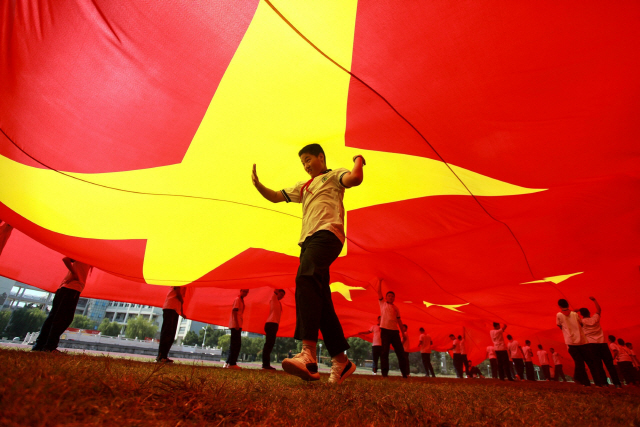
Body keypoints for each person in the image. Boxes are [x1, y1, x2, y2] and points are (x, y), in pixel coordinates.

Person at [252, 144, 364, 384]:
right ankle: (341, 361)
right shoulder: (304, 187)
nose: (305, 164)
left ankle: (308, 354)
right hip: (308, 242)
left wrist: (359, 158)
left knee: (305, 279)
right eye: (302, 162)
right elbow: (275, 196)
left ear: (321, 157)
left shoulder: (334, 176)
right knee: (321, 301)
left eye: (308, 159)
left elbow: (355, 178)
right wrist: (258, 185)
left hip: (328, 234)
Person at [32, 257, 92, 352]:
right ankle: (50, 347)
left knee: (53, 317)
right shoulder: (83, 253)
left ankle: (39, 345)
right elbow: (66, 259)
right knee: (63, 319)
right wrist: (74, 273)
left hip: (64, 288)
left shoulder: (89, 256)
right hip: (72, 288)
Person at [579, 296, 620, 387]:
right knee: (610, 365)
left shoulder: (581, 322)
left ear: (581, 314)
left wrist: (576, 310)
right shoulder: (595, 318)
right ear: (589, 313)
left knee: (598, 365)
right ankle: (617, 384)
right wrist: (595, 300)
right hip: (602, 343)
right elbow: (599, 310)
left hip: (592, 345)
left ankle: (604, 383)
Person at [556, 298, 595, 386]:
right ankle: (594, 381)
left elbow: (559, 325)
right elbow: (581, 323)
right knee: (588, 361)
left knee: (579, 362)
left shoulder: (559, 315)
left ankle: (583, 380)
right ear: (568, 304)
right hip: (582, 341)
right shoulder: (575, 314)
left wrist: (566, 331)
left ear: (559, 306)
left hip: (570, 342)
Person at [376, 281, 409, 378]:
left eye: (392, 296)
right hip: (385, 331)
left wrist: (403, 334)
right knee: (384, 352)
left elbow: (399, 321)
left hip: (395, 332)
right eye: (389, 296)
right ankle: (384, 374)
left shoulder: (396, 308)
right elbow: (378, 292)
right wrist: (380, 281)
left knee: (401, 352)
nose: (391, 297)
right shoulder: (382, 304)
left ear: (394, 298)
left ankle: (404, 374)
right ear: (386, 298)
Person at [156, 286, 187, 363]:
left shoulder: (185, 284)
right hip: (170, 307)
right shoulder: (178, 279)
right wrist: (182, 300)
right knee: (167, 333)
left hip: (175, 309)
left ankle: (164, 356)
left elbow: (180, 300)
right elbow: (177, 292)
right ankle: (160, 357)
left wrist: (182, 312)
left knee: (171, 334)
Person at [224, 289, 248, 370]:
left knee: (233, 344)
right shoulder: (238, 299)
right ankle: (232, 363)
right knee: (236, 344)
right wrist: (237, 324)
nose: (246, 293)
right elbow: (234, 311)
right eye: (244, 291)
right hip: (236, 325)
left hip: (238, 324)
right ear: (241, 291)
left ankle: (227, 362)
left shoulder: (241, 300)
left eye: (247, 292)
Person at [262, 289, 285, 370]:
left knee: (270, 345)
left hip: (274, 324)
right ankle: (265, 365)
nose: (281, 296)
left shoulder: (278, 302)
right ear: (277, 293)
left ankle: (266, 364)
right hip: (271, 324)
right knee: (268, 345)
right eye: (280, 294)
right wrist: (276, 291)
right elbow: (274, 292)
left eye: (283, 296)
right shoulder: (274, 300)